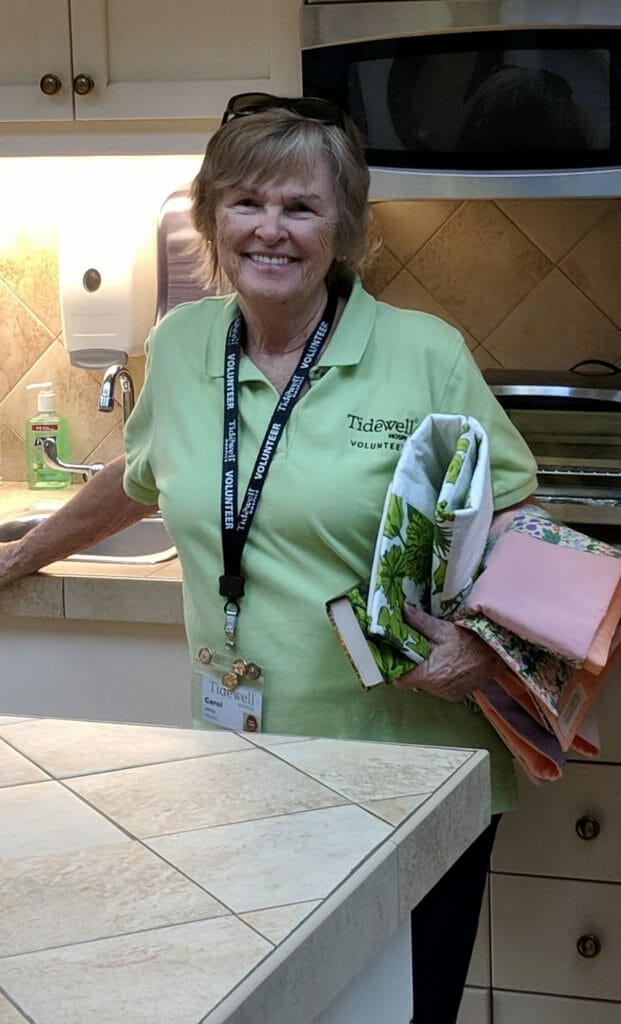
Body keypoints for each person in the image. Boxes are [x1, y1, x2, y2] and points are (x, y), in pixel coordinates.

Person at [0, 94, 538, 1024]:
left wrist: (486, 650)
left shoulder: (422, 355)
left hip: (407, 767)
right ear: (209, 216)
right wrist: (20, 555)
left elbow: (523, 523)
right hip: (243, 760)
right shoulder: (180, 345)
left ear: (343, 227)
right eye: (247, 202)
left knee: (399, 1012)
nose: (271, 230)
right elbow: (142, 478)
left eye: (300, 207)